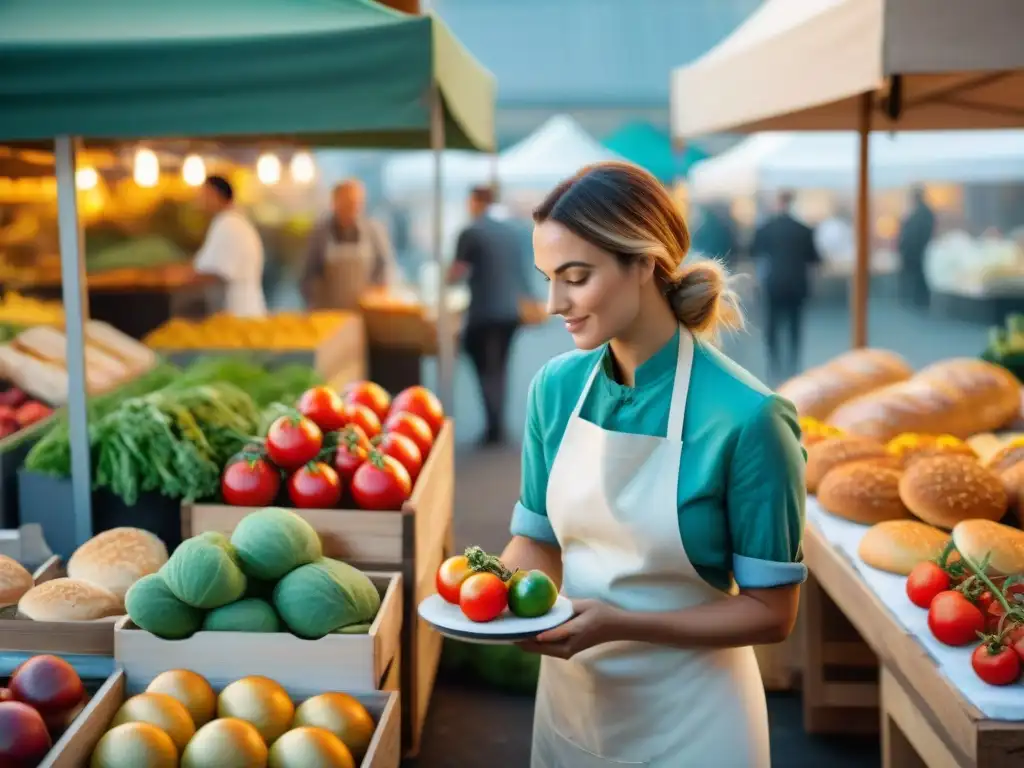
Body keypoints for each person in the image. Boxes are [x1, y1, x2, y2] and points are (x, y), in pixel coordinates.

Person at [504, 162, 805, 767]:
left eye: (576, 277)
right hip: (572, 708)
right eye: (547, 279)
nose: (553, 303)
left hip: (695, 722)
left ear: (643, 262)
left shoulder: (750, 418)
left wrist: (619, 623)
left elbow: (772, 614)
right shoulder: (554, 389)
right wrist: (491, 591)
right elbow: (535, 541)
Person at [450, 186, 532, 446]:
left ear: (474, 202)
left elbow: (456, 273)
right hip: (511, 311)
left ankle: (493, 426)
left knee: (484, 367)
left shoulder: (472, 231)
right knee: (500, 367)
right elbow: (521, 272)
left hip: (483, 311)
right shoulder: (511, 231)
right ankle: (497, 424)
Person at [751, 190, 820, 383]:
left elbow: (754, 253)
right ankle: (793, 363)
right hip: (797, 283)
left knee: (772, 324)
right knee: (795, 324)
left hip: (773, 282)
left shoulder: (765, 228)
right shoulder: (804, 229)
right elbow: (815, 258)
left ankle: (774, 364)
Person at [302, 179, 400, 310]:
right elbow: (308, 275)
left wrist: (377, 294)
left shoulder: (373, 231)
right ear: (335, 203)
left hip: (365, 312)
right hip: (329, 313)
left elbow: (385, 267)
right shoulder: (320, 233)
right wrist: (317, 300)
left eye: (356, 203)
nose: (352, 208)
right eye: (347, 203)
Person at [193, 175, 267, 317]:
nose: (199, 200)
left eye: (203, 195)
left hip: (239, 313)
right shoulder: (232, 222)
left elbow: (215, 271)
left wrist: (173, 279)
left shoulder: (228, 224)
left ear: (214, 195)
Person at [898, 186, 936, 308]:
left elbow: (914, 233)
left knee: (919, 276)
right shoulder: (922, 212)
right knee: (919, 276)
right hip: (917, 249)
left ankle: (920, 301)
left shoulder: (921, 213)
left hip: (917, 250)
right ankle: (918, 300)